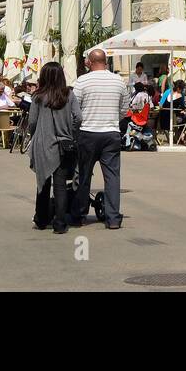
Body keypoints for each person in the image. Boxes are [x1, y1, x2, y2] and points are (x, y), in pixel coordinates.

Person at [72, 48, 130, 229]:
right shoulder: (119, 81)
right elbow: (124, 108)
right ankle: (113, 218)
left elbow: (75, 109)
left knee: (84, 175)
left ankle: (80, 214)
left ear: (89, 62)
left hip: (88, 132)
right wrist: (112, 118)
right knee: (112, 176)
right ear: (106, 61)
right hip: (111, 133)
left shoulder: (82, 81)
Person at [29, 63, 81, 234]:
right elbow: (78, 118)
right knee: (60, 186)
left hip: (43, 143)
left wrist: (35, 135)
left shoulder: (38, 96)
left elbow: (32, 122)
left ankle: (41, 219)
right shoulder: (69, 94)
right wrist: (71, 133)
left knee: (43, 183)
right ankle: (60, 223)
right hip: (64, 144)